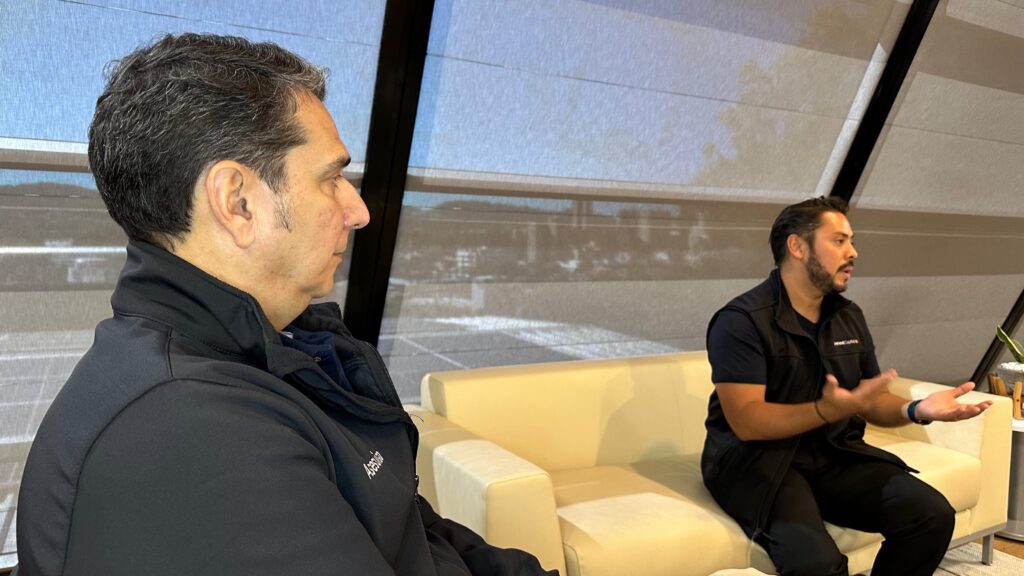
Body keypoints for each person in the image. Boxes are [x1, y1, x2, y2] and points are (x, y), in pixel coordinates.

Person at [16, 33, 555, 576]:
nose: (359, 211)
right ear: (237, 202)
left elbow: (408, 527)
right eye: (332, 178)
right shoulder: (195, 433)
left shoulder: (280, 349)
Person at [700, 196, 991, 576]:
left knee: (931, 515)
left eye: (851, 241)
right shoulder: (741, 320)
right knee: (818, 565)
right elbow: (747, 421)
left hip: (834, 453)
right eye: (838, 241)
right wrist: (825, 410)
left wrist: (915, 409)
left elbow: (871, 399)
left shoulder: (848, 316)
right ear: (797, 246)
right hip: (758, 462)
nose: (853, 252)